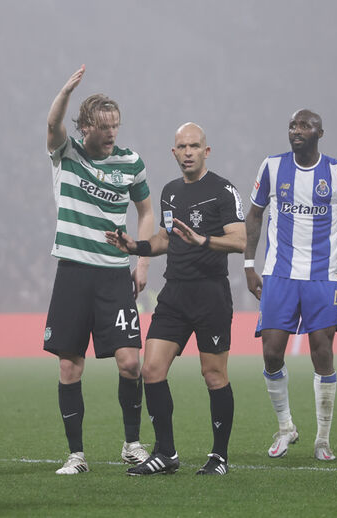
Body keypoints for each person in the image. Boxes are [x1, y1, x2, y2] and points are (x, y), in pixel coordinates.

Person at [108, 123, 246, 476]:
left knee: (213, 375)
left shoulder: (223, 190)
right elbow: (166, 240)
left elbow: (241, 240)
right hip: (175, 293)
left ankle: (219, 457)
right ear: (174, 152)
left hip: (210, 294)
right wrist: (135, 247)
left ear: (206, 151)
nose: (187, 152)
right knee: (151, 369)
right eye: (182, 147)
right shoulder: (170, 193)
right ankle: (166, 453)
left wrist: (205, 241)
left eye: (194, 146)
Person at [244, 109, 337, 461]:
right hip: (280, 274)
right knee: (272, 352)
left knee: (322, 352)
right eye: (292, 125)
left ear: (321, 133)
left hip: (323, 277)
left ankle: (322, 438)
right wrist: (248, 264)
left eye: (305, 126)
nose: (296, 130)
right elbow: (255, 215)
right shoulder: (272, 167)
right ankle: (286, 426)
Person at [44, 65, 154, 475]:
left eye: (116, 126)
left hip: (113, 275)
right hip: (73, 272)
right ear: (86, 127)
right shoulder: (66, 153)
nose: (112, 134)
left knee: (131, 363)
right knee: (70, 365)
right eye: (104, 127)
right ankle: (76, 455)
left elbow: (146, 211)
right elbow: (53, 123)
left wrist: (141, 260)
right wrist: (66, 91)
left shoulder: (131, 163)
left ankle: (131, 444)